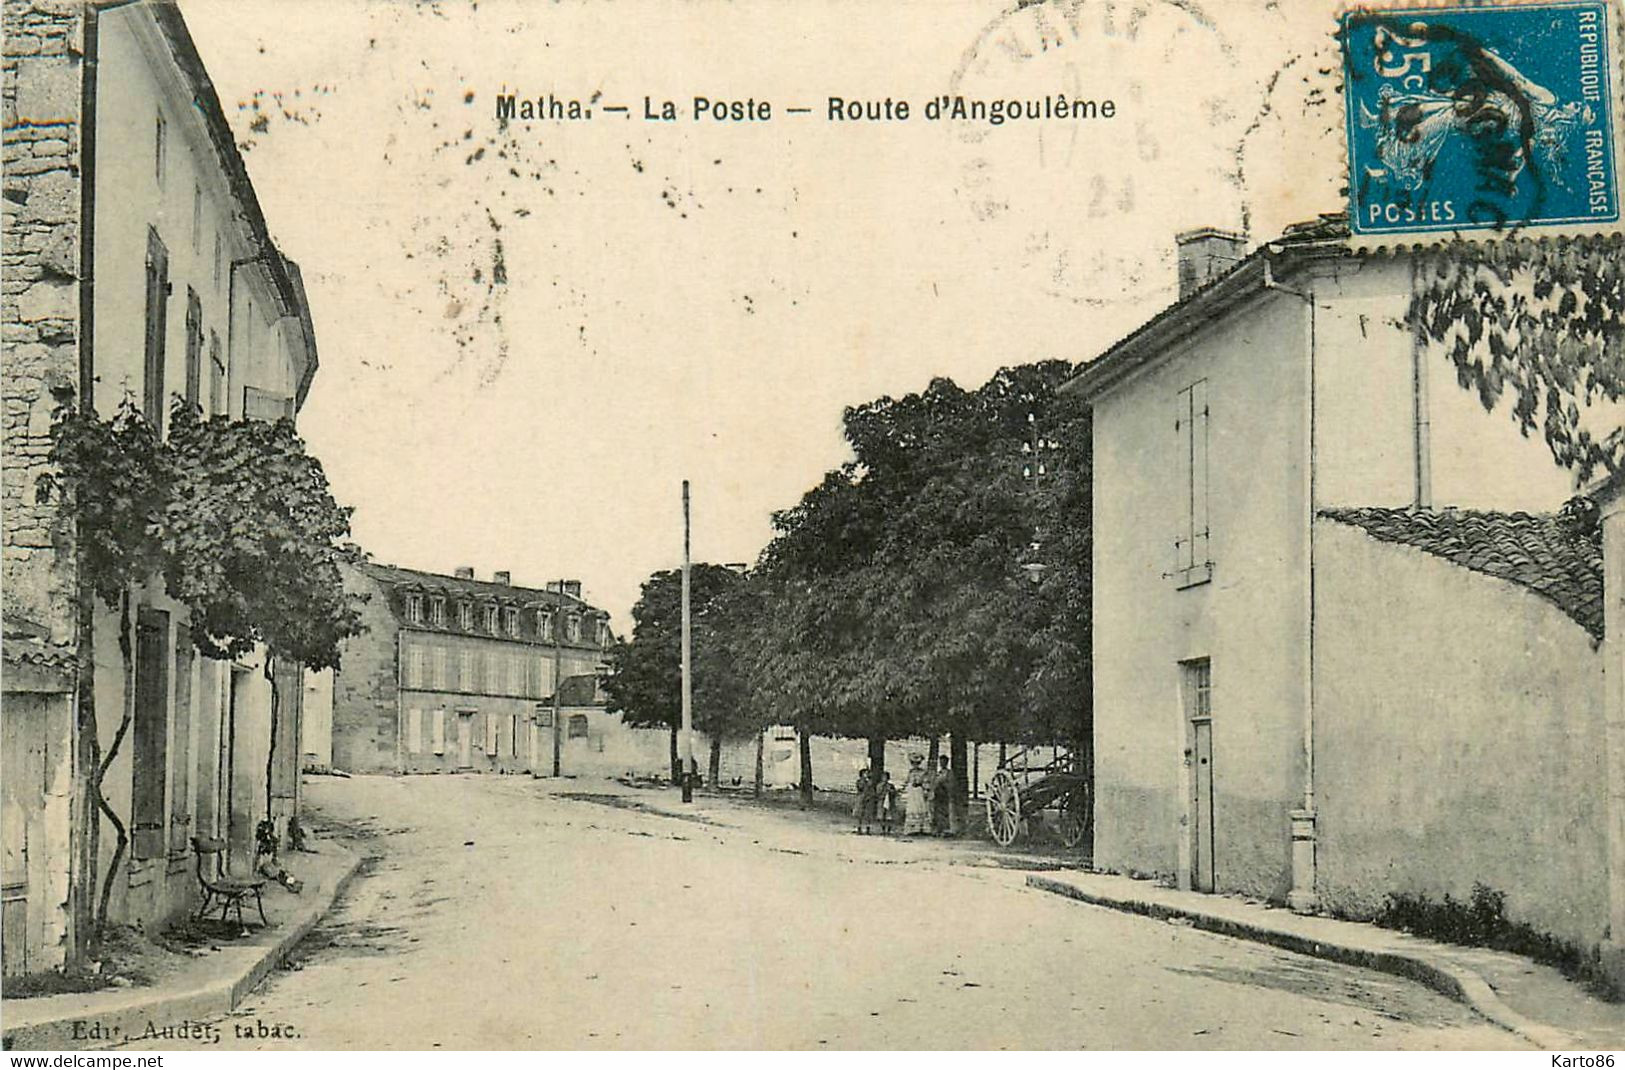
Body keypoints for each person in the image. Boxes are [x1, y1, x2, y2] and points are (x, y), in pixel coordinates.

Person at [902, 753, 931, 835]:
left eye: (917, 763)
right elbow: (907, 781)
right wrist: (904, 787)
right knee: (912, 808)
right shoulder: (910, 772)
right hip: (912, 792)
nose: (915, 765)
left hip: (919, 791)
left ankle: (921, 828)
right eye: (913, 763)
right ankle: (912, 829)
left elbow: (926, 782)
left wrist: (925, 789)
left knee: (920, 807)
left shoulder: (923, 772)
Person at [931, 754, 953, 836]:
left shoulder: (948, 773)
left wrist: (943, 784)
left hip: (944, 795)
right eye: (941, 762)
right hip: (937, 795)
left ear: (946, 763)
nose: (942, 763)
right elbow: (934, 783)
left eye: (943, 762)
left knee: (944, 812)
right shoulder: (938, 773)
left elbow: (950, 785)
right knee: (936, 812)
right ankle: (937, 829)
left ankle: (944, 830)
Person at [853, 766, 877, 834]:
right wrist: (865, 782)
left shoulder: (870, 782)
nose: (866, 774)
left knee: (868, 815)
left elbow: (872, 791)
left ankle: (867, 829)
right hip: (861, 798)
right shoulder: (859, 781)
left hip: (868, 799)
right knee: (859, 814)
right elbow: (860, 788)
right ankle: (859, 828)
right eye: (865, 773)